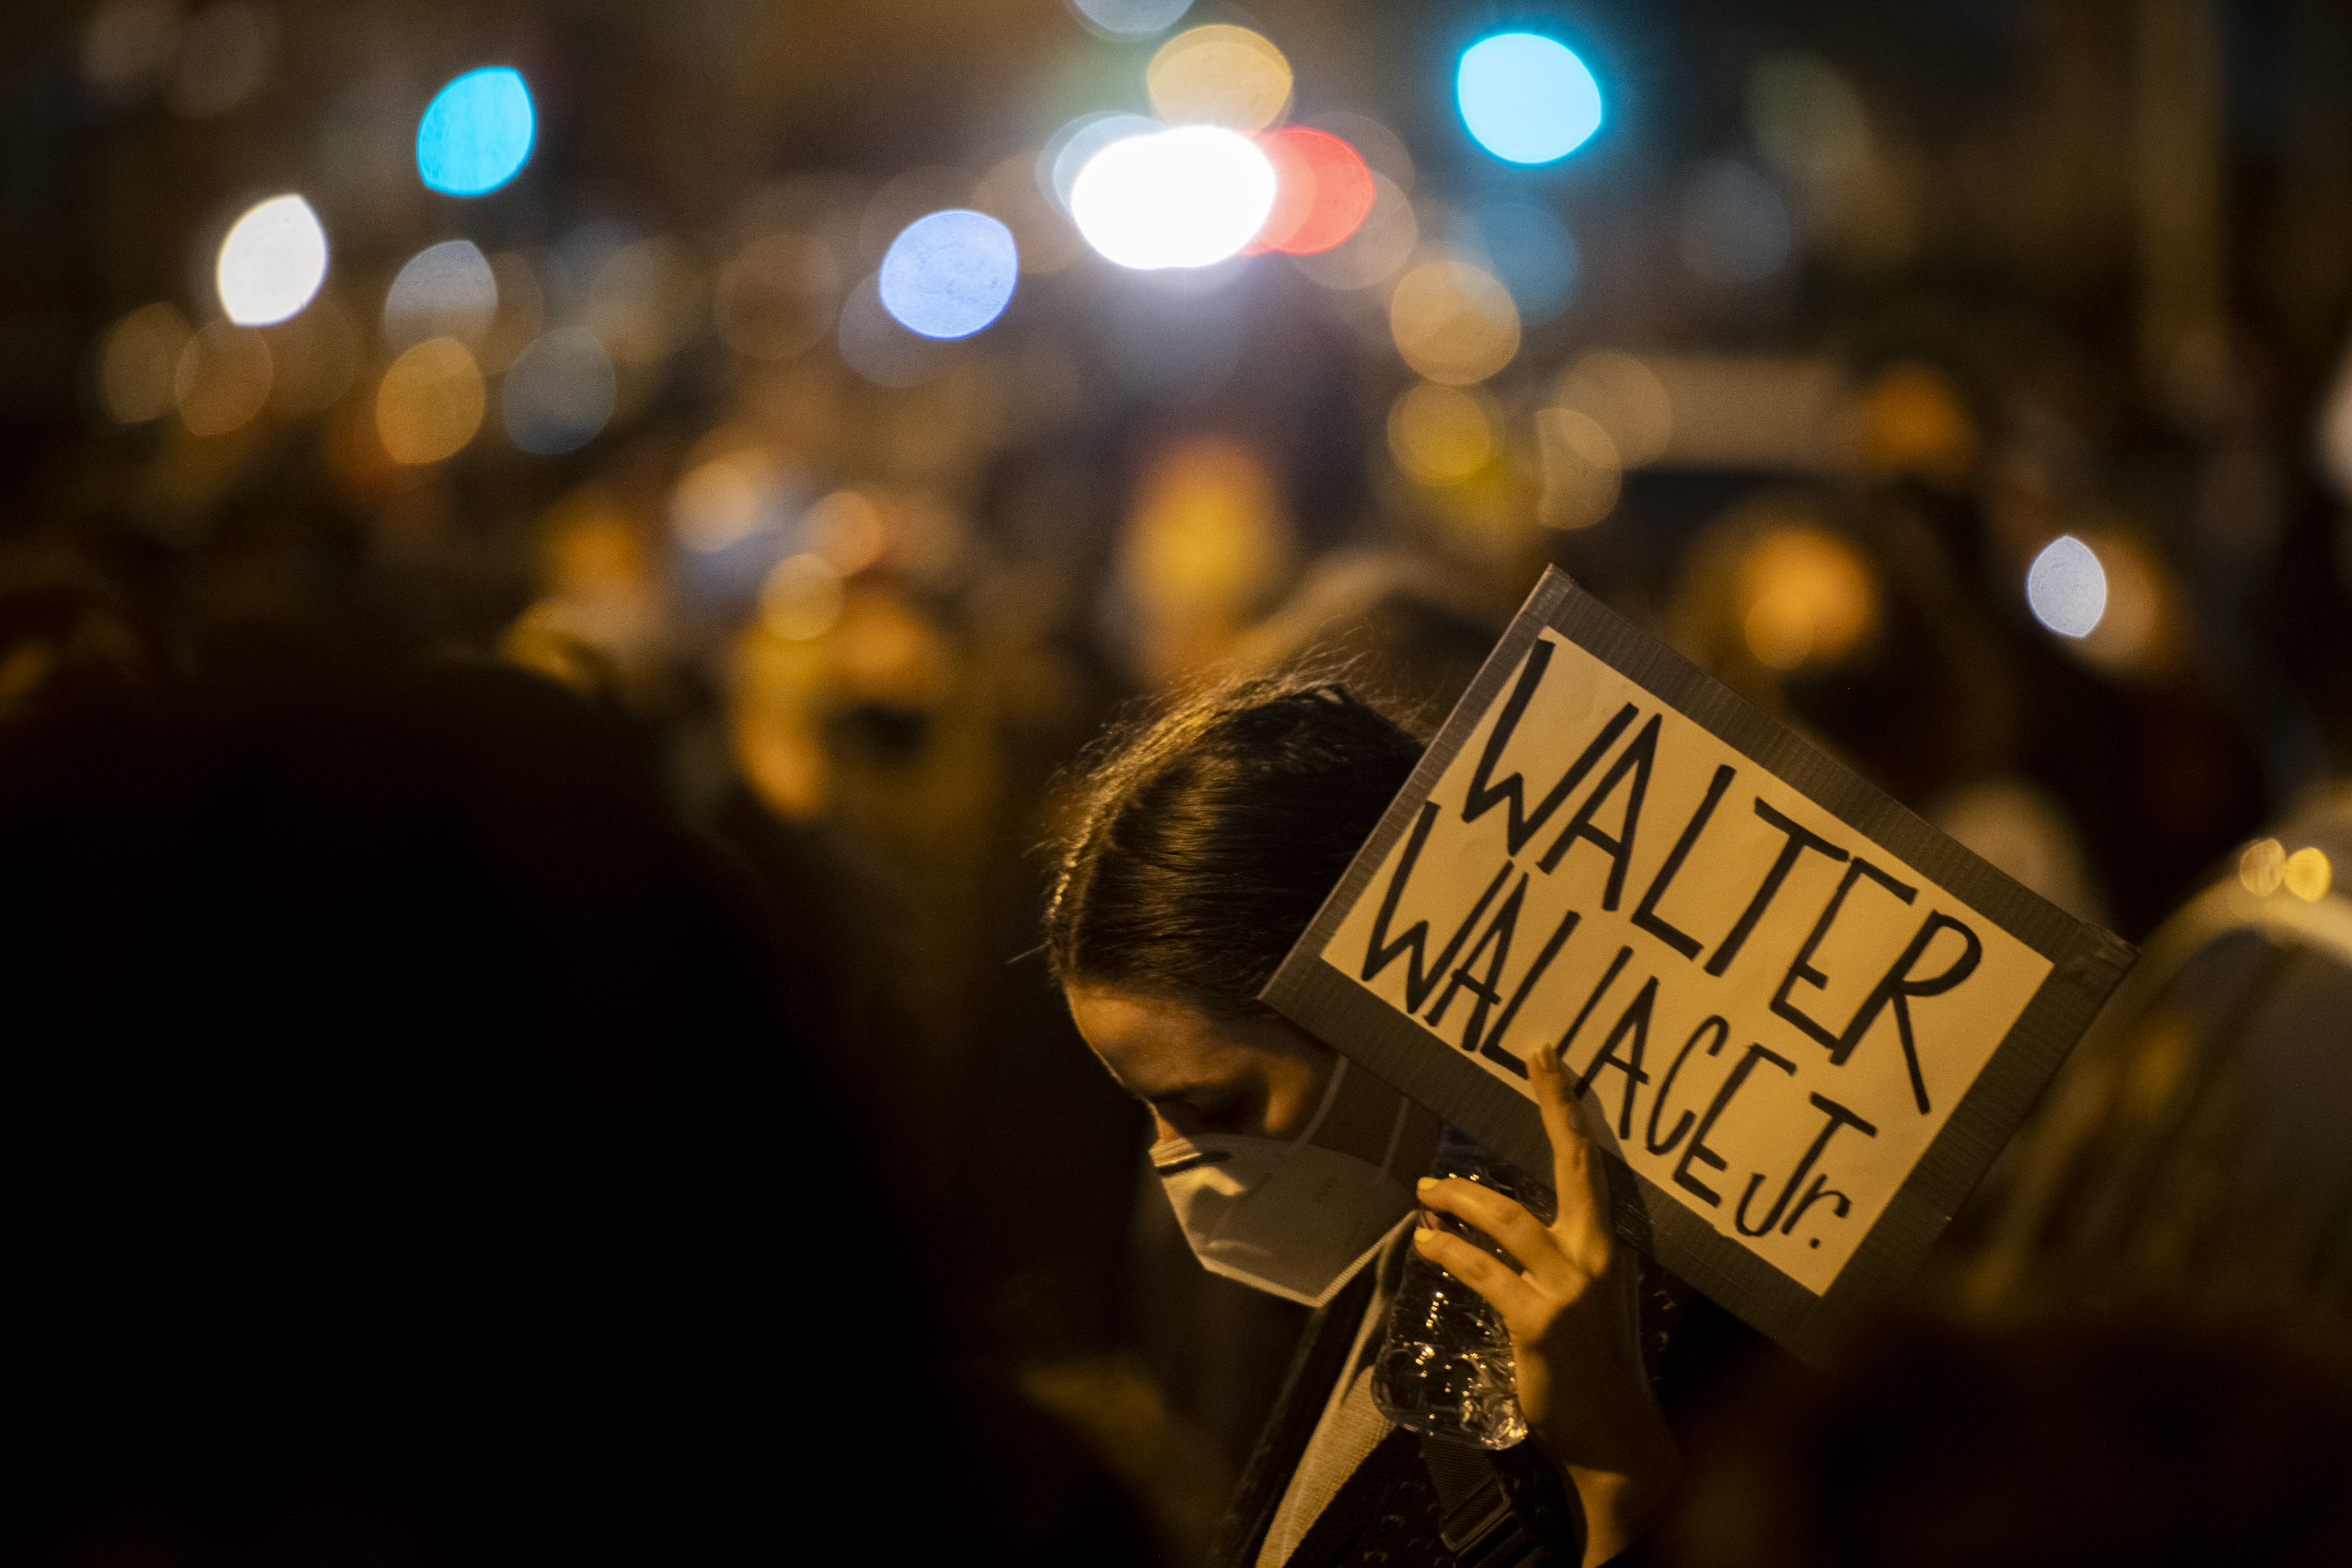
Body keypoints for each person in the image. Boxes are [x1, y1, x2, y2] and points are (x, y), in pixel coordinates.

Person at [1045, 673, 1682, 1567]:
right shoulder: (1386, 1275)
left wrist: (1620, 1487)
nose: (1176, 1160)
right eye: (1147, 1111)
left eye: (1218, 1104)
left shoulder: (1643, 1339)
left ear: (1384, 1017)